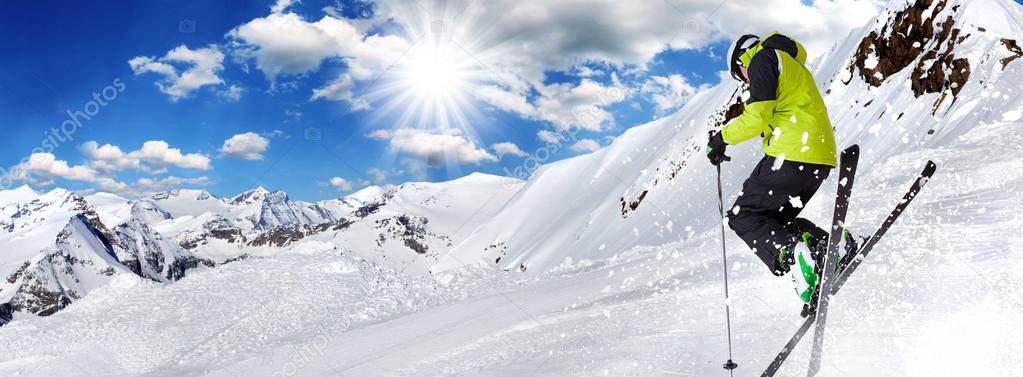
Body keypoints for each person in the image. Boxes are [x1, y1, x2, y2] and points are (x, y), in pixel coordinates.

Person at [706, 31, 849, 306]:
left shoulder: (761, 60)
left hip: (792, 152)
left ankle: (794, 255)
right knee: (773, 222)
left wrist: (721, 139)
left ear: (740, 63)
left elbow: (757, 117)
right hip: (819, 156)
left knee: (743, 215)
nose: (745, 81)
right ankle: (831, 247)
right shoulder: (790, 62)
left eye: (741, 77)